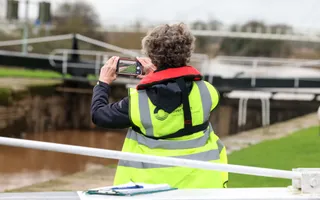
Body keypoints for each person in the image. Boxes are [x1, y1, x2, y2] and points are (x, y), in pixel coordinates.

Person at [91, 23, 228, 188]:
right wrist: (158, 77)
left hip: (150, 189)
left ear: (151, 55)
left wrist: (103, 83)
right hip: (200, 186)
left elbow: (99, 115)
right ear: (188, 52)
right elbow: (179, 92)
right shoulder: (208, 93)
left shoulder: (138, 103)